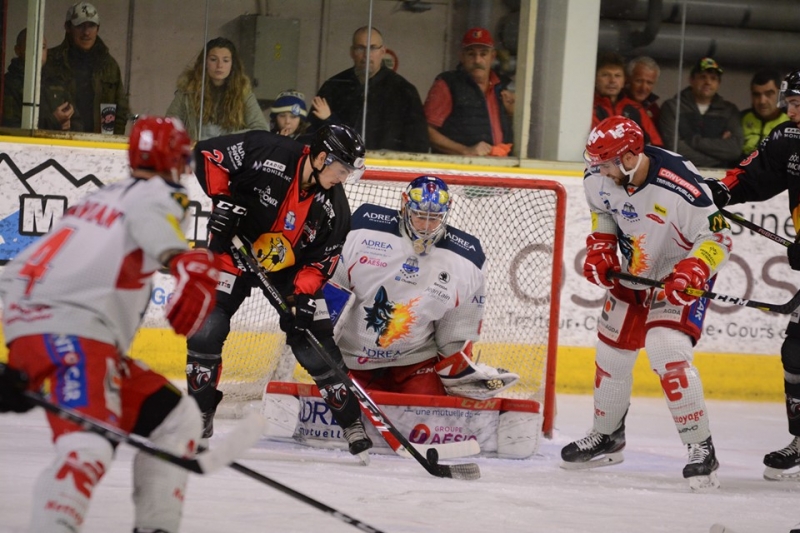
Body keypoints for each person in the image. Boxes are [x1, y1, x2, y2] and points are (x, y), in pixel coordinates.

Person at [0, 116, 221, 532]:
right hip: (76, 334)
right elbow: (156, 224)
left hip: (51, 332)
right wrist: (179, 259)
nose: (187, 167)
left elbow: (15, 275)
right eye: (184, 157)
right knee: (88, 446)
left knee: (179, 420)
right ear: (174, 159)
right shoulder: (158, 194)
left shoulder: (100, 198)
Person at [561, 116, 732, 491]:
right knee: (611, 353)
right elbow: (603, 212)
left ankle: (701, 448)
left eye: (606, 162)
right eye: (596, 162)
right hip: (635, 268)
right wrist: (602, 245)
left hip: (680, 275)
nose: (597, 170)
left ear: (631, 156)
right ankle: (608, 436)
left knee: (666, 349)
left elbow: (719, 238)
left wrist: (693, 270)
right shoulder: (598, 177)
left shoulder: (683, 187)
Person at [184, 124, 372, 458]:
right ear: (322, 157)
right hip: (234, 250)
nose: (343, 178)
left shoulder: (336, 210)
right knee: (205, 327)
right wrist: (223, 201)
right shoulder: (266, 149)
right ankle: (199, 413)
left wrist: (301, 297)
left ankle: (351, 422)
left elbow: (321, 263)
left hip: (290, 270)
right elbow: (208, 154)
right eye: (341, 169)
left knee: (314, 340)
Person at [330, 175, 517, 398]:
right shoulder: (361, 232)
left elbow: (454, 330)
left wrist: (461, 375)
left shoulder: (467, 260)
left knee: (432, 418)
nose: (426, 226)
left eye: (435, 218)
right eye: (419, 216)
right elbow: (333, 295)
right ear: (404, 204)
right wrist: (325, 350)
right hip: (350, 359)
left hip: (414, 362)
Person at [706, 69, 800, 481]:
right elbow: (757, 172)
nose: (789, 109)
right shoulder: (788, 136)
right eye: (789, 101)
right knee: (796, 353)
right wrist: (722, 191)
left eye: (797, 102)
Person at [311, 26, 429, 153]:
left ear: (383, 52)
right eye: (360, 48)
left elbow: (418, 145)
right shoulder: (334, 86)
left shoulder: (404, 91)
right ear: (352, 52)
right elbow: (313, 133)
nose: (366, 55)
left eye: (373, 48)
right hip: (340, 165)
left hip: (387, 167)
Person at [423, 27, 513, 157]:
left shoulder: (502, 86)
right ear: (462, 57)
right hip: (459, 169)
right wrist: (465, 150)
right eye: (471, 54)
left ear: (492, 56)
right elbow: (426, 130)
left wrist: (512, 114)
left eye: (483, 54)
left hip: (500, 168)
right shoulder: (448, 84)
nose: (477, 60)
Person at [45, 2, 130, 134]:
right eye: (80, 26)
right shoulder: (50, 61)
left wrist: (111, 143)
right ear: (68, 27)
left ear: (98, 29)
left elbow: (121, 110)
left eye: (91, 25)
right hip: (58, 141)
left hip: (99, 144)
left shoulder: (109, 65)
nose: (86, 32)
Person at [166, 37, 269, 142]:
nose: (219, 66)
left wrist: (226, 140)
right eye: (213, 59)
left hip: (229, 154)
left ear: (232, 64)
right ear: (205, 62)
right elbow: (169, 127)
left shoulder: (243, 93)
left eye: (225, 60)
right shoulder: (188, 90)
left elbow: (261, 129)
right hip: (196, 153)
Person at [659, 57, 743, 168]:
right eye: (703, 77)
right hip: (680, 174)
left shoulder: (729, 111)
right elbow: (674, 149)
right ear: (691, 80)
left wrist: (693, 141)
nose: (708, 82)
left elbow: (735, 150)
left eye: (713, 78)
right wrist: (719, 158)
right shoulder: (672, 107)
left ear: (719, 83)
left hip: (719, 177)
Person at [3, 28, 83, 131]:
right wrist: (53, 122)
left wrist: (69, 124)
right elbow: (10, 129)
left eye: (42, 47)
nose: (38, 52)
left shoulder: (56, 82)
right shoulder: (8, 84)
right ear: (18, 50)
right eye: (31, 46)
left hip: (58, 146)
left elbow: (78, 122)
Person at [592, 51, 662, 147]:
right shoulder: (589, 107)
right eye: (605, 75)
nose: (612, 80)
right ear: (595, 79)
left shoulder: (636, 108)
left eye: (617, 76)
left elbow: (656, 146)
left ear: (624, 80)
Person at [740, 68, 789, 155]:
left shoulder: (792, 121)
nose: (762, 101)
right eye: (756, 94)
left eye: (769, 94)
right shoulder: (741, 119)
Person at [625, 55, 661, 125]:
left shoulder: (654, 109)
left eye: (649, 83)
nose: (643, 88)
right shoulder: (617, 103)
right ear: (628, 79)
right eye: (639, 81)